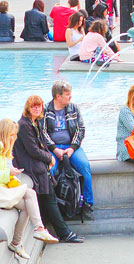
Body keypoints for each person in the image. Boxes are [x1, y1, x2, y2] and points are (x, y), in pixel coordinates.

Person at [13, 96, 84, 245]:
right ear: (28, 108)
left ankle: (57, 231)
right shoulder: (24, 125)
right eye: (34, 107)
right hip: (31, 166)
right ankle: (64, 233)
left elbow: (42, 144)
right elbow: (33, 150)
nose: (37, 109)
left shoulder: (35, 122)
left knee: (48, 197)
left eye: (39, 106)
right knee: (49, 198)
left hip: (36, 164)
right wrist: (49, 158)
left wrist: (48, 158)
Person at [0, 117, 58, 257]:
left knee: (28, 203)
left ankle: (18, 241)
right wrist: (9, 173)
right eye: (12, 135)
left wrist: (11, 174)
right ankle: (36, 230)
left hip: (5, 190)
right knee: (30, 194)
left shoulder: (6, 150)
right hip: (2, 191)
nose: (14, 138)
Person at [43, 80, 95, 220]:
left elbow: (80, 129)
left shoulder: (74, 108)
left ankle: (88, 204)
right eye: (67, 94)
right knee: (50, 171)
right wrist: (54, 148)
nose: (70, 97)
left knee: (85, 167)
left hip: (71, 147)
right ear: (58, 96)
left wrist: (72, 148)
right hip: (53, 148)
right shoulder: (45, 109)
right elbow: (43, 132)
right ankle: (52, 208)